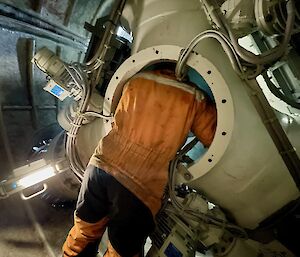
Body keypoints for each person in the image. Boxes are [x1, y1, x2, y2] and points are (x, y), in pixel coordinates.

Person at [62, 67, 217, 257]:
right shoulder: (194, 98)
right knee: (121, 252)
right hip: (139, 187)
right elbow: (214, 137)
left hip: (100, 168)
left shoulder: (136, 80)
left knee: (83, 232)